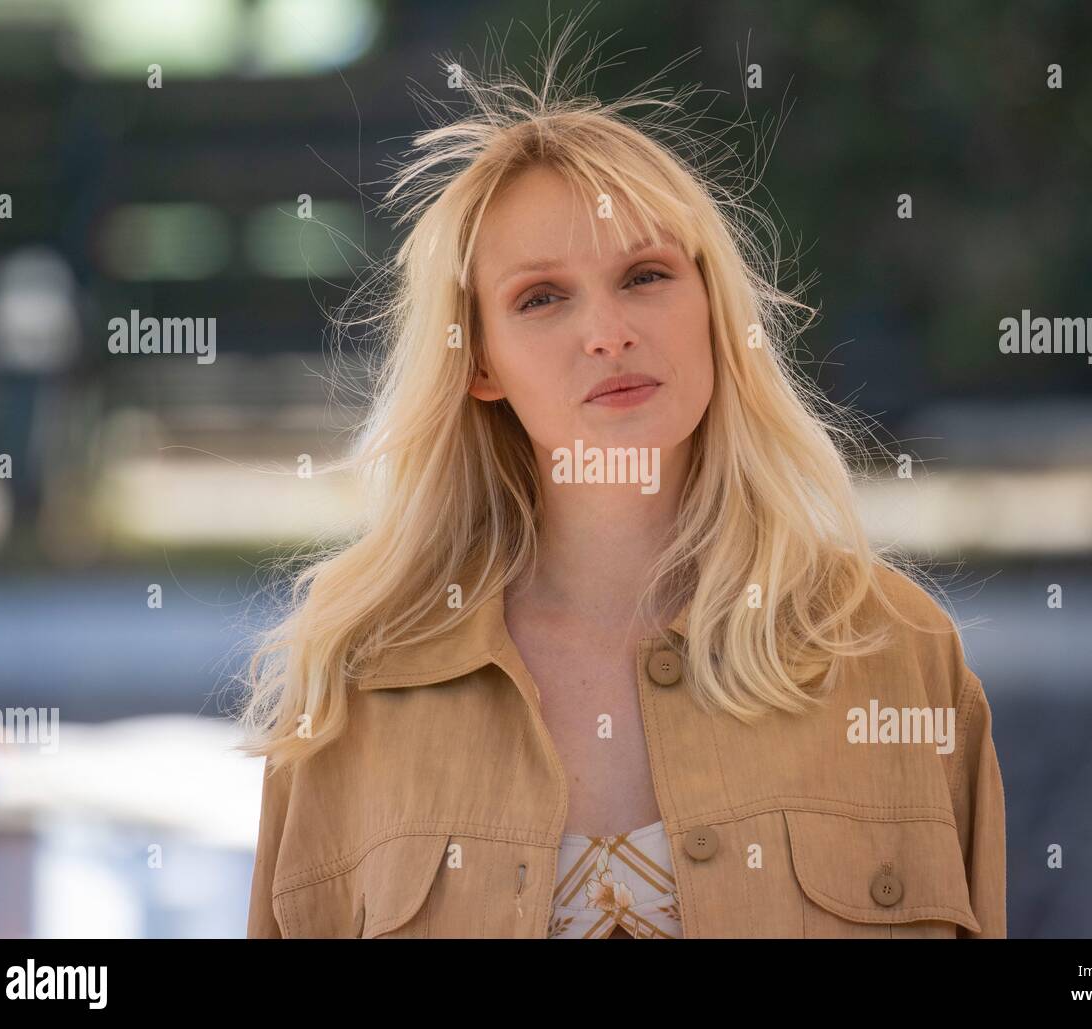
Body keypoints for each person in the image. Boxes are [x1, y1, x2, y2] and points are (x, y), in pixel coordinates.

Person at [238, 26, 1005, 939]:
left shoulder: (895, 650)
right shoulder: (357, 678)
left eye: (646, 275)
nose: (606, 331)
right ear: (478, 361)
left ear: (713, 311)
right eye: (542, 297)